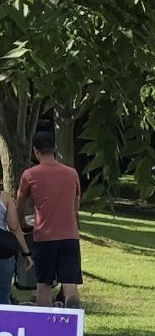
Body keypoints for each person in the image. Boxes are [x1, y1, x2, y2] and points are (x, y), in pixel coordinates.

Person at [16, 131, 83, 307]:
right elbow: (76, 204)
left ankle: (46, 327)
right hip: (69, 235)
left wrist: (22, 223)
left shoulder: (29, 175)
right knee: (70, 282)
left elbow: (20, 203)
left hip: (45, 237)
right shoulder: (72, 173)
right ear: (54, 149)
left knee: (43, 284)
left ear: (35, 151)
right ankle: (72, 319)